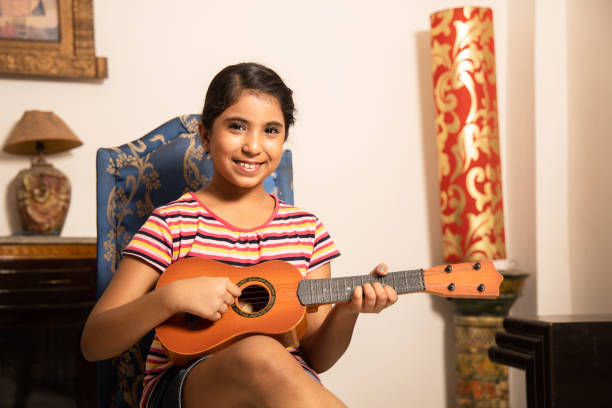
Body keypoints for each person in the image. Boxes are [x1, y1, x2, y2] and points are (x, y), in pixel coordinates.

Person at [81, 62, 398, 408]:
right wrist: (170, 298)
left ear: (283, 140)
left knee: (267, 356)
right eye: (237, 127)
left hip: (282, 390)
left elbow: (317, 359)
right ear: (206, 135)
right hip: (188, 387)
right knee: (259, 351)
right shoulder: (172, 224)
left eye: (271, 130)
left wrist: (347, 312)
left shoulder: (307, 230)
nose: (253, 146)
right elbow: (94, 342)